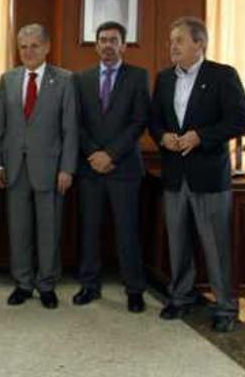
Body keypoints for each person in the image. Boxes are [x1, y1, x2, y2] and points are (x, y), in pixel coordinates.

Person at [149, 16, 245, 333]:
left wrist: (201, 136)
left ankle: (224, 306)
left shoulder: (222, 75)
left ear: (199, 43)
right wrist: (163, 137)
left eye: (179, 40)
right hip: (175, 176)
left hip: (209, 177)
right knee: (177, 242)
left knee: (215, 245)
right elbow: (154, 121)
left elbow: (240, 120)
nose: (173, 46)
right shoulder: (164, 79)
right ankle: (181, 297)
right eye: (171, 40)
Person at [0, 23, 78, 309]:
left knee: (49, 229)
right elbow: (1, 126)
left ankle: (47, 284)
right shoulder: (9, 79)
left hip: (51, 170)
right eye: (23, 46)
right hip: (15, 167)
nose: (28, 51)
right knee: (19, 230)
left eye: (34, 46)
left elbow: (70, 129)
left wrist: (67, 168)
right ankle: (23, 283)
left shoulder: (64, 80)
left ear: (47, 47)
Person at [73, 22, 148, 313]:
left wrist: (111, 154)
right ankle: (90, 285)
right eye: (102, 40)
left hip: (124, 168)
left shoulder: (138, 77)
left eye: (113, 40)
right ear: (96, 45)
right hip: (90, 167)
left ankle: (134, 290)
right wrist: (94, 153)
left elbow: (138, 121)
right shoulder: (81, 79)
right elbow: (76, 123)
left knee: (127, 231)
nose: (107, 45)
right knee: (89, 230)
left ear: (123, 46)